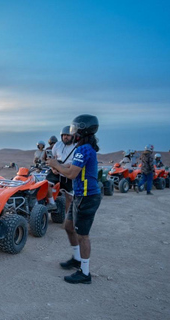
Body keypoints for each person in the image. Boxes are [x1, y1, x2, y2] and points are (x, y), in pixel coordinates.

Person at [47, 114, 102, 284]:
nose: (72, 132)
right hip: (80, 195)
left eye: (75, 128)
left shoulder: (83, 149)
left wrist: (56, 165)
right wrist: (59, 168)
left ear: (82, 130)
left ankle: (85, 273)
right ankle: (77, 259)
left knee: (82, 235)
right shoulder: (84, 148)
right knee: (68, 227)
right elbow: (71, 167)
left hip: (87, 196)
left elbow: (71, 173)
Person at [46, 126, 76, 216]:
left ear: (72, 136)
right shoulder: (57, 145)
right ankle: (52, 203)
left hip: (68, 173)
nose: (65, 137)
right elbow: (52, 159)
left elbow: (73, 164)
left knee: (69, 198)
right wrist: (53, 168)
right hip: (56, 171)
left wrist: (59, 167)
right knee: (45, 184)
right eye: (64, 135)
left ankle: (68, 219)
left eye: (68, 135)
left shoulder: (76, 147)